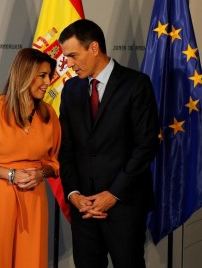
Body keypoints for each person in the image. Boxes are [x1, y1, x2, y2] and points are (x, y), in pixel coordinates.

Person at [58, 19, 159, 268]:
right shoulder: (70, 89)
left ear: (94, 48)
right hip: (84, 209)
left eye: (72, 55)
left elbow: (146, 146)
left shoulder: (136, 84)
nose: (68, 64)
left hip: (124, 207)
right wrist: (73, 194)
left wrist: (113, 194)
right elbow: (66, 147)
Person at [0, 48, 61, 268]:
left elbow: (54, 163)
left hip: (34, 197)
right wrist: (11, 174)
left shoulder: (48, 114)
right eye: (42, 75)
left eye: (49, 76)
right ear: (24, 74)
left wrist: (40, 174)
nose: (48, 82)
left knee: (32, 260)